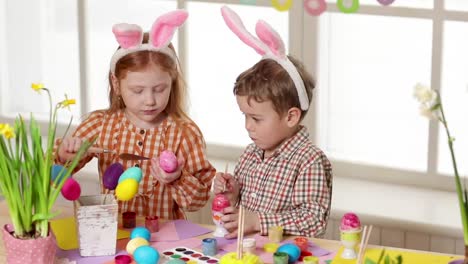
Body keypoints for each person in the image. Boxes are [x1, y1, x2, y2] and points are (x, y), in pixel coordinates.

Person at [55, 10, 216, 219]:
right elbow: (49, 176)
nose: (149, 100)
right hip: (115, 235)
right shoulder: (100, 125)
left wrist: (178, 178)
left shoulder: (185, 133)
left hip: (165, 237)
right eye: (137, 91)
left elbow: (200, 200)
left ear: (172, 82)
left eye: (159, 89)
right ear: (116, 84)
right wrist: (64, 156)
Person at [212, 6, 332, 238]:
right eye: (245, 116)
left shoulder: (308, 161)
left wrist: (258, 220)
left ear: (291, 117)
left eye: (256, 118)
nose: (248, 125)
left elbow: (314, 220)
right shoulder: (250, 155)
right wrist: (232, 196)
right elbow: (242, 216)